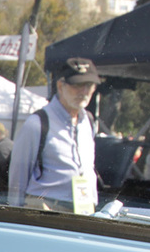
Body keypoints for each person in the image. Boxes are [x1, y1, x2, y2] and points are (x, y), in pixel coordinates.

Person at [7, 56, 102, 213]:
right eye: (77, 85)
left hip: (83, 209)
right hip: (47, 209)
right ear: (60, 86)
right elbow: (18, 177)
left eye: (89, 85)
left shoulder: (88, 122)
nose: (84, 92)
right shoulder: (38, 123)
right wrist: (15, 217)